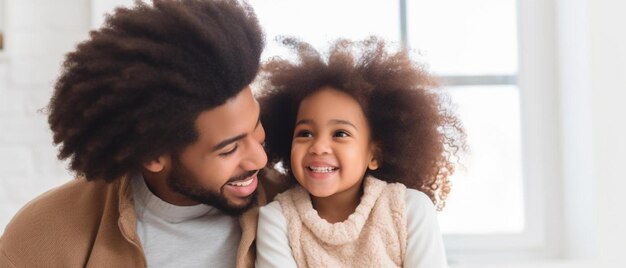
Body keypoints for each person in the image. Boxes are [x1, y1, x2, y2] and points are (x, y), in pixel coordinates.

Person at [0, 0, 282, 267]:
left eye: (255, 124)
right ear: (153, 155)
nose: (259, 159)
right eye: (229, 149)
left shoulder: (294, 207)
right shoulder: (42, 238)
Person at [255, 37, 465, 267]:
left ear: (375, 155)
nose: (318, 147)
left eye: (340, 134)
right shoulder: (278, 220)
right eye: (305, 133)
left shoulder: (410, 210)